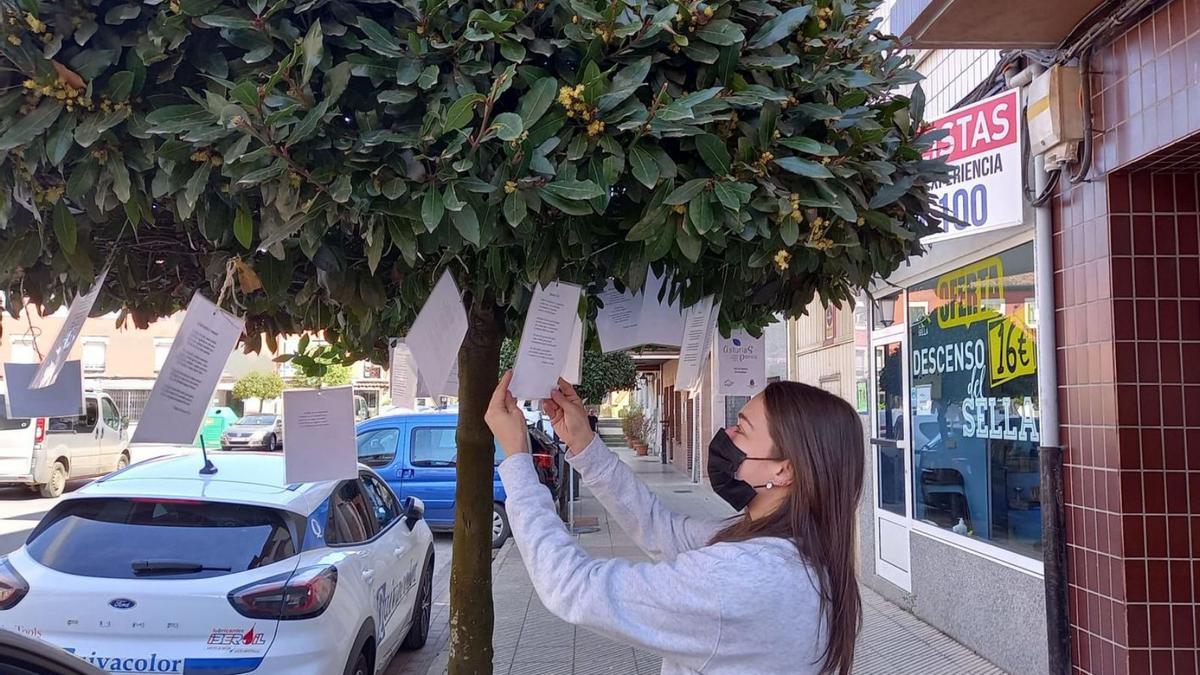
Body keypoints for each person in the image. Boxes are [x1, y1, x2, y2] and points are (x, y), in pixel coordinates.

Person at [485, 371, 865, 674]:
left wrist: (518, 460)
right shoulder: (790, 551)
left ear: (784, 470)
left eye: (742, 429)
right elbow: (658, 526)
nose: (727, 435)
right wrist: (584, 443)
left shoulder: (744, 577)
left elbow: (571, 586)